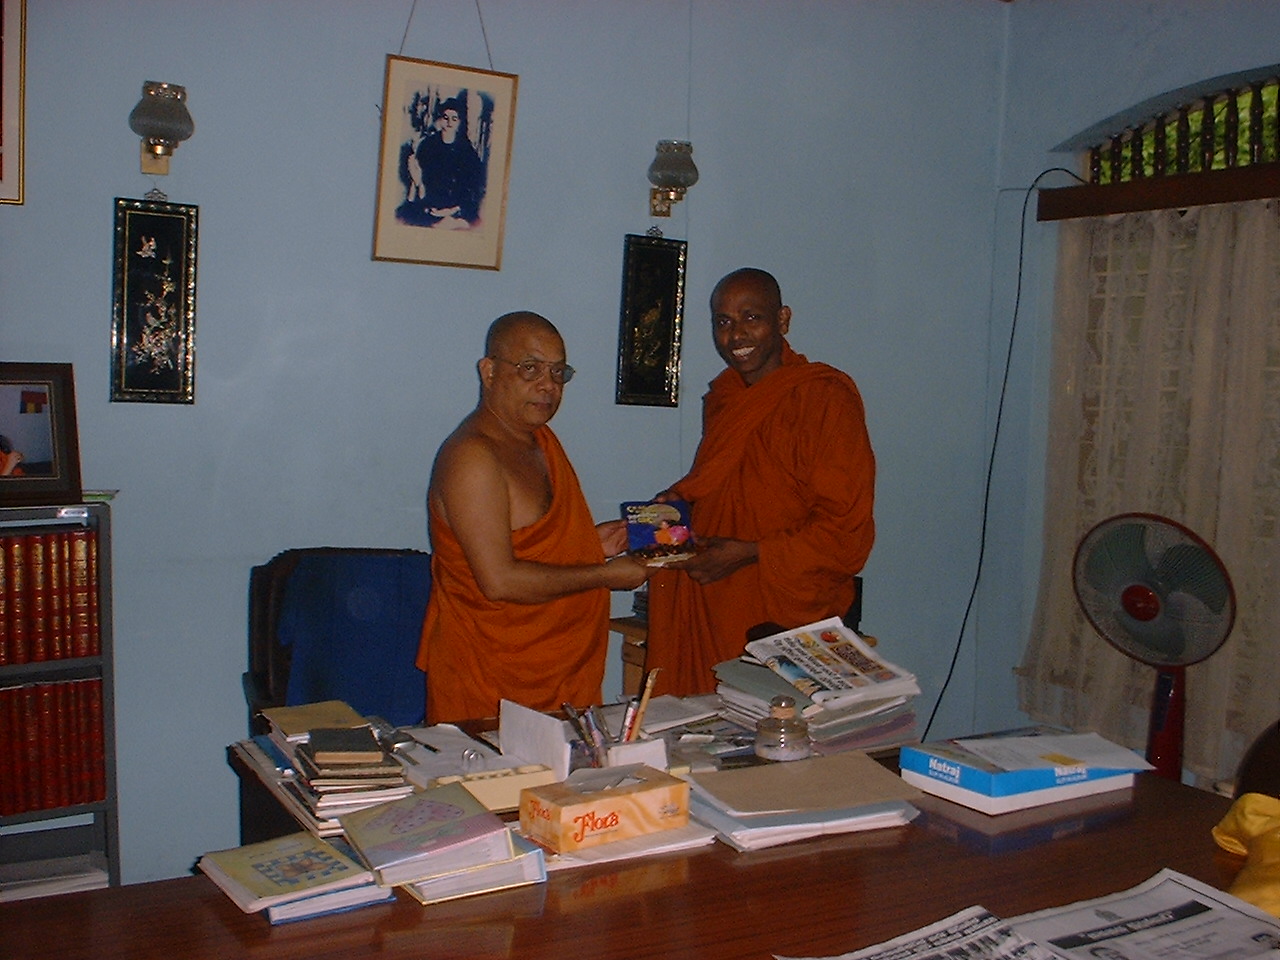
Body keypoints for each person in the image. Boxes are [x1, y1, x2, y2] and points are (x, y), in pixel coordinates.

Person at [645, 268, 875, 696]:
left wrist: (749, 554)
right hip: (716, 599)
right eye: (723, 322)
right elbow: (722, 484)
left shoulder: (824, 398)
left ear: (783, 320)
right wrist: (675, 507)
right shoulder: (725, 399)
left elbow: (847, 533)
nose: (736, 336)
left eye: (752, 317)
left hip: (784, 608)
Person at [416, 311, 650, 722]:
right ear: (489, 371)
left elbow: (530, 542)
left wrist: (588, 544)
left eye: (558, 372)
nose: (548, 385)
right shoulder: (473, 458)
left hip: (560, 675)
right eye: (530, 368)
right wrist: (604, 574)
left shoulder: (537, 440)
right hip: (493, 685)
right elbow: (499, 580)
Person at [399, 97, 485, 229]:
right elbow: (420, 177)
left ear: (459, 122)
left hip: (457, 206)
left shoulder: (466, 149)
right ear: (440, 119)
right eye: (445, 117)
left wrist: (455, 209)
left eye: (454, 119)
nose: (449, 122)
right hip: (430, 202)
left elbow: (474, 182)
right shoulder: (428, 145)